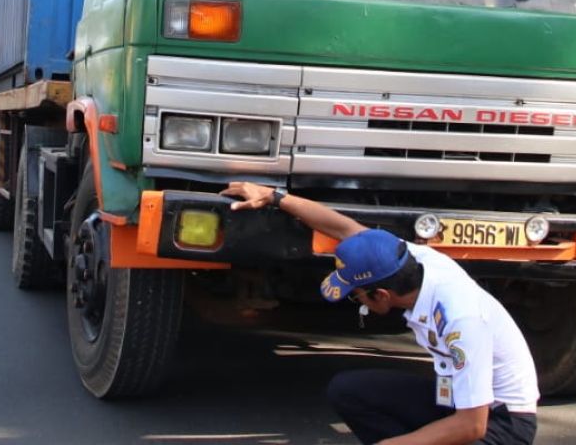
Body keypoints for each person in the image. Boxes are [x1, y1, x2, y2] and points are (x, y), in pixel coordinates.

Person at [223, 182, 539, 445]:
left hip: (502, 425)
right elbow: (345, 228)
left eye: (356, 295)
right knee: (349, 391)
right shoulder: (407, 259)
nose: (356, 301)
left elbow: (472, 426)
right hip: (456, 401)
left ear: (382, 295)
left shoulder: (460, 318)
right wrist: (277, 197)